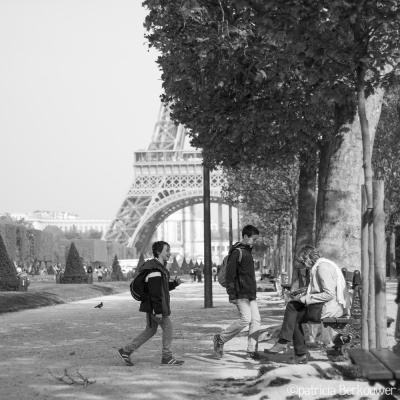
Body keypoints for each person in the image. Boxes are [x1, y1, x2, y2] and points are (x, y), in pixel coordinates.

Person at [265, 245, 351, 364]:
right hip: (326, 305)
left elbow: (329, 294)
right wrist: (303, 294)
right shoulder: (322, 265)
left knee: (293, 315)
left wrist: (306, 298)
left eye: (304, 260)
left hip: (330, 308)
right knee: (292, 307)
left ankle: (289, 347)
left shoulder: (322, 268)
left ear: (309, 257)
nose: (304, 264)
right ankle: (285, 343)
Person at [117, 241, 184, 367]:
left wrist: (174, 284)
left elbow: (160, 288)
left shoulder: (157, 268)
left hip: (151, 306)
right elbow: (155, 293)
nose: (169, 253)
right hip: (155, 307)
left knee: (151, 330)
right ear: (158, 252)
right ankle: (167, 357)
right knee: (168, 328)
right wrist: (158, 311)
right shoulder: (155, 270)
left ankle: (126, 351)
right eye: (167, 251)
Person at [213, 225, 266, 360]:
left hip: (250, 293)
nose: (254, 242)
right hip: (240, 293)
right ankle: (220, 338)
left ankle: (251, 351)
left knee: (256, 320)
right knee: (245, 319)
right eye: (253, 239)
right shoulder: (237, 252)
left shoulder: (247, 252)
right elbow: (230, 276)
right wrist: (231, 294)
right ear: (245, 236)